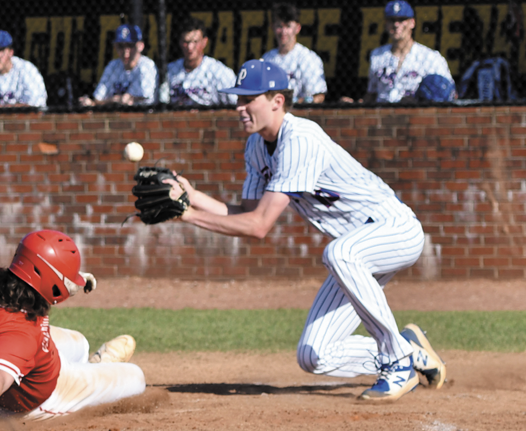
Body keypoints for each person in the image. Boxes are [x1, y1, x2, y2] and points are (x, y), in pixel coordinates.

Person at [165, 60, 446, 402]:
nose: (239, 107)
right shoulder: (256, 147)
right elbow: (249, 212)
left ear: (276, 101)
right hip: (355, 250)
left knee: (339, 253)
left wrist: (189, 216)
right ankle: (407, 349)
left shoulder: (300, 139)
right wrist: (193, 198)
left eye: (248, 99)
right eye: (238, 100)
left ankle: (397, 363)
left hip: (393, 229)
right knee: (314, 355)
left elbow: (258, 227)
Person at [0, 230, 145, 431]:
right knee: (136, 378)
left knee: (80, 342)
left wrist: (68, 280)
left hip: (21, 351)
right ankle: (99, 366)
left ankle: (89, 365)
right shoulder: (17, 336)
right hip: (38, 398)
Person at [342, 0, 453, 104]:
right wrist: (355, 105)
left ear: (412, 23)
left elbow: (448, 93)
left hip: (415, 116)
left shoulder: (430, 57)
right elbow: (372, 94)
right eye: (392, 20)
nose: (396, 25)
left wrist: (418, 102)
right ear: (385, 24)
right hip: (382, 116)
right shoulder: (377, 55)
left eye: (401, 20)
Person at [160, 17, 237, 106]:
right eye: (186, 42)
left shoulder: (219, 72)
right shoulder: (170, 71)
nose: (190, 47)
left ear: (204, 42)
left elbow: (235, 104)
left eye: (195, 42)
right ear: (180, 43)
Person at [261, 3, 327, 104]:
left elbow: (318, 96)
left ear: (297, 28)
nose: (283, 31)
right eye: (279, 26)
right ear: (272, 27)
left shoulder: (308, 58)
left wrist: (298, 102)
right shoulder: (266, 59)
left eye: (288, 26)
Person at [79, 24, 158, 106]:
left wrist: (111, 100)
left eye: (130, 46)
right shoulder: (113, 65)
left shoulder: (147, 65)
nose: (125, 52)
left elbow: (141, 98)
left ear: (141, 46)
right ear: (115, 47)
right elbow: (98, 99)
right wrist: (116, 99)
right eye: (121, 46)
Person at [0, 30, 47, 108]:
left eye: (0, 50)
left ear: (11, 52)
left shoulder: (27, 70)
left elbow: (37, 104)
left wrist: (0, 108)